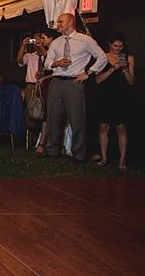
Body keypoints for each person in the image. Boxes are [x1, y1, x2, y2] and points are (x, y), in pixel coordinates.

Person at [44, 12, 108, 163]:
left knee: (77, 119)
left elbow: (102, 57)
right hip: (57, 81)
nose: (58, 24)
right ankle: (53, 150)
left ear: (70, 22)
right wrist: (56, 63)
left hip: (74, 82)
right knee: (53, 117)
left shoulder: (85, 40)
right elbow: (47, 62)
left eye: (60, 22)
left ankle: (78, 154)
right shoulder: (56, 42)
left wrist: (89, 73)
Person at [95, 33, 135, 170]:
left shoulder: (129, 58)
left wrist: (124, 70)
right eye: (115, 46)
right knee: (104, 126)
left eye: (120, 46)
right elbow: (98, 80)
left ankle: (122, 160)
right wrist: (112, 69)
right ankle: (104, 157)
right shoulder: (103, 58)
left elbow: (132, 81)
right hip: (106, 95)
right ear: (110, 45)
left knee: (121, 128)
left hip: (122, 96)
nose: (118, 49)